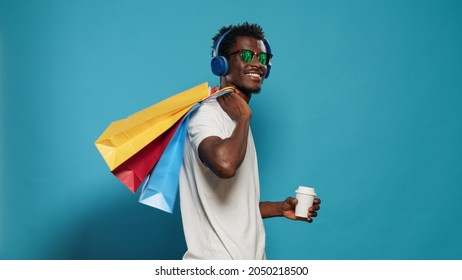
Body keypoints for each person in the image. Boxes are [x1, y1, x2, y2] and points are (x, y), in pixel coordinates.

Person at [179, 22, 321, 260]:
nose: (257, 64)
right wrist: (244, 116)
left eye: (263, 58)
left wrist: (279, 208)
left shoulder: (237, 120)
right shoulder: (206, 115)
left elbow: (232, 208)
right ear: (220, 64)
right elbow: (225, 166)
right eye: (246, 55)